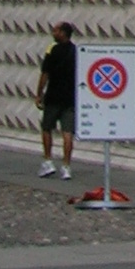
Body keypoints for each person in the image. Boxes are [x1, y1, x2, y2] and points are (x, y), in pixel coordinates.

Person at [34, 20, 77, 178]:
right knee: (67, 133)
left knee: (47, 128)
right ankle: (66, 166)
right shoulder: (75, 51)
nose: (53, 33)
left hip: (53, 96)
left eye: (56, 31)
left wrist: (39, 93)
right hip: (70, 98)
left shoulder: (52, 49)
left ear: (63, 33)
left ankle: (48, 161)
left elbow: (45, 73)